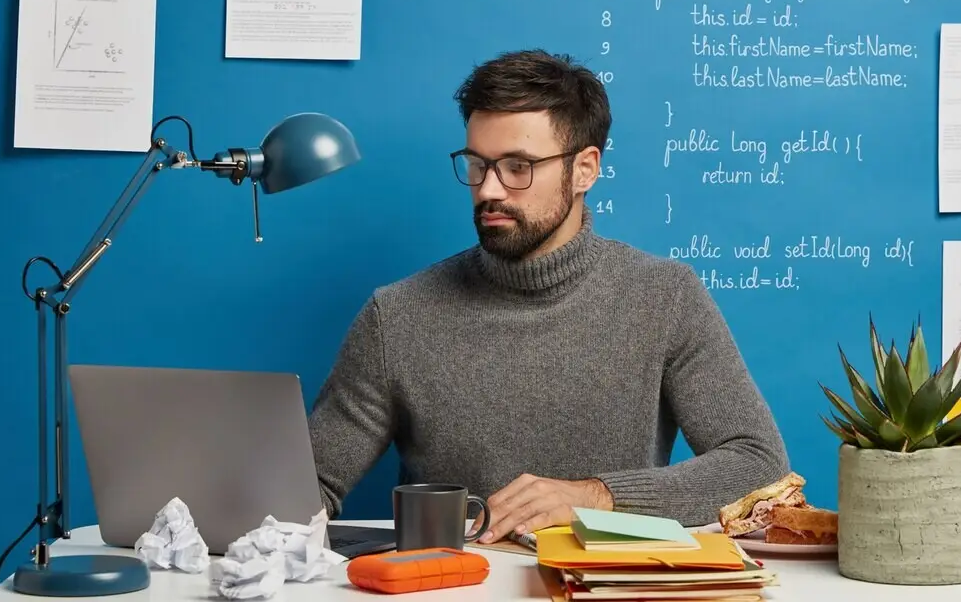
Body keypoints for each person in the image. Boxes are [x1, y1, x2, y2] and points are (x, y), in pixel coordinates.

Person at [307, 49, 789, 542]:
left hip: (609, 589)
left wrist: (594, 497)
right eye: (477, 164)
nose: (489, 189)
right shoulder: (398, 315)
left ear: (585, 169)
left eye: (518, 166)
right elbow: (305, 489)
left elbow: (759, 465)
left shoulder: (665, 297)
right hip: (453, 585)